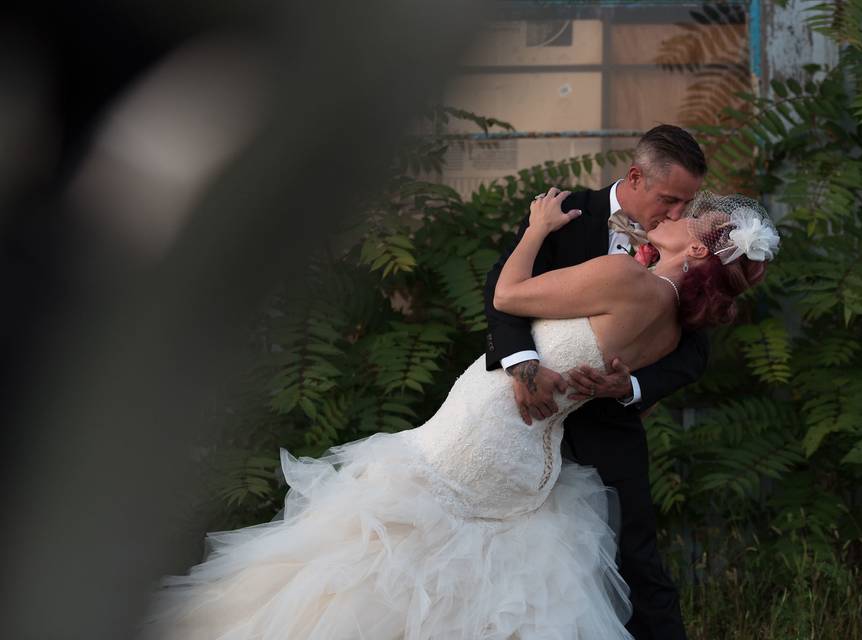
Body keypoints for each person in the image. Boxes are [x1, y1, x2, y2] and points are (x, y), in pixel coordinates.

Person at [141, 186, 779, 639]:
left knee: (382, 548)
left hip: (484, 428)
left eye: (692, 219)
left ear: (698, 252)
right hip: (534, 455)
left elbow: (507, 292)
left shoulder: (626, 277)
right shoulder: (670, 326)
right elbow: (613, 378)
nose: (676, 215)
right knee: (475, 571)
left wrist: (536, 228)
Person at [483, 124, 707, 639]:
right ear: (635, 176)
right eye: (670, 200)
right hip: (525, 415)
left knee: (636, 559)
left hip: (609, 425)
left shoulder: (686, 249)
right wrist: (523, 364)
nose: (677, 215)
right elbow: (502, 289)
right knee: (511, 551)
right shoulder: (566, 214)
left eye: (687, 205)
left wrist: (630, 388)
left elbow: (696, 352)